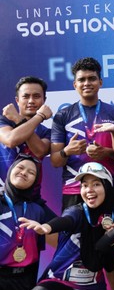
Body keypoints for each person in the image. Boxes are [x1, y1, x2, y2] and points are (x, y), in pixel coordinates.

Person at [50, 57, 114, 290]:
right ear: (74, 84)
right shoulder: (63, 116)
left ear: (100, 82)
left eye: (92, 78)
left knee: (111, 247)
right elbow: (55, 160)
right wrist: (68, 151)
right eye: (81, 79)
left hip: (107, 191)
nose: (87, 83)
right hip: (74, 192)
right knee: (71, 248)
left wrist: (106, 152)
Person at [0, 156, 45, 290]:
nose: (24, 173)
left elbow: (62, 228)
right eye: (20, 167)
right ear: (10, 171)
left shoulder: (37, 209)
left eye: (31, 172)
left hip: (22, 279)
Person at [0, 76, 54, 218]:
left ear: (44, 100)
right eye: (26, 96)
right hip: (3, 197)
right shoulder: (3, 121)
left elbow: (40, 151)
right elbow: (11, 140)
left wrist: (19, 119)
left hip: (31, 201)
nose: (31, 101)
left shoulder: (47, 133)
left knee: (63, 229)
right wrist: (40, 116)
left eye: (36, 96)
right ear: (17, 100)